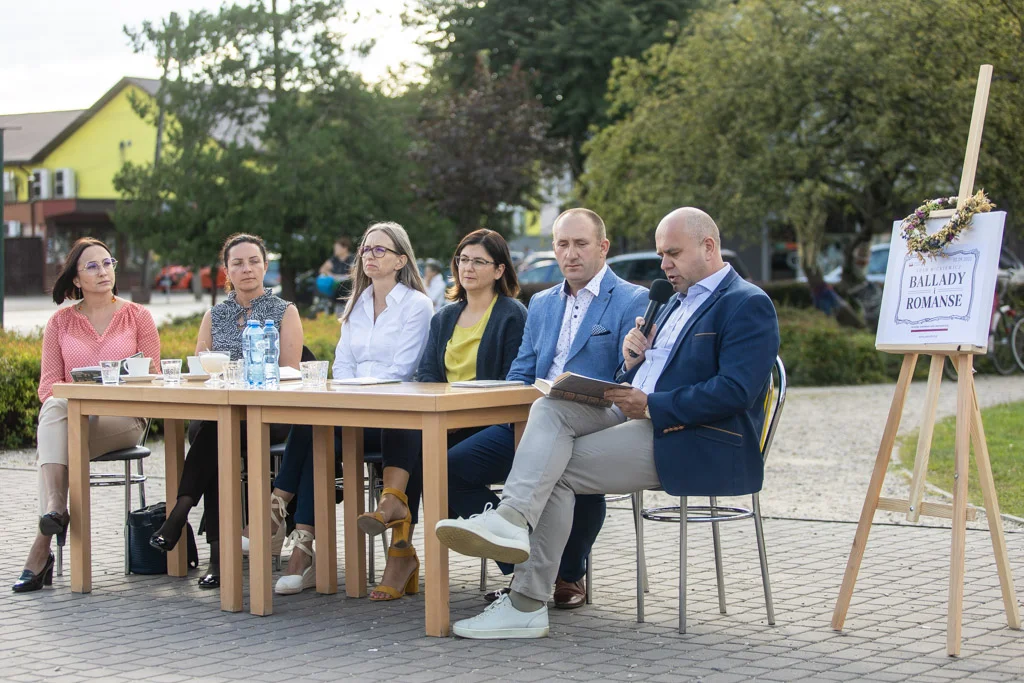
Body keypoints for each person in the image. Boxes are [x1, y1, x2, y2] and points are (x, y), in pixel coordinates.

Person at [436, 207, 781, 639]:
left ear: (708, 247)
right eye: (661, 255)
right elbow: (649, 374)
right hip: (635, 412)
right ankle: (510, 524)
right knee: (548, 408)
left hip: (691, 435)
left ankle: (524, 600)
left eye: (672, 253)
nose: (664, 265)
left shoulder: (746, 303)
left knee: (552, 468)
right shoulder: (674, 301)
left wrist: (652, 403)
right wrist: (634, 362)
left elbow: (736, 391)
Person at [445, 208, 647, 609]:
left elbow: (632, 379)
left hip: (598, 423)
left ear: (602, 247)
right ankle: (519, 557)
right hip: (532, 416)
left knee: (568, 467)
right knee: (450, 468)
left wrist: (629, 362)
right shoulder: (541, 303)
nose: (570, 253)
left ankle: (568, 574)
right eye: (562, 244)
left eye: (580, 244)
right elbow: (522, 370)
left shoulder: (632, 299)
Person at [255, 221, 434, 595]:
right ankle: (293, 534)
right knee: (312, 423)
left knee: (314, 429)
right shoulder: (356, 304)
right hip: (352, 412)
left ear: (401, 259)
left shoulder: (417, 305)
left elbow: (401, 370)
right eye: (366, 250)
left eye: (380, 250)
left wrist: (355, 391)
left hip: (394, 418)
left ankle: (280, 512)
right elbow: (343, 366)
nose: (369, 256)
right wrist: (350, 393)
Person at [361, 229, 528, 601]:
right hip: (446, 423)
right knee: (410, 434)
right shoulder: (445, 316)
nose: (467, 268)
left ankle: (521, 565)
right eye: (463, 260)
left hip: (491, 425)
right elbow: (428, 377)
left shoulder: (511, 315)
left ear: (499, 270)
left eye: (479, 261)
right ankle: (400, 548)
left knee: (435, 461)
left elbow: (513, 383)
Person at [149, 233, 304, 588]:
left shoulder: (284, 311)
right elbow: (201, 368)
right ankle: (216, 553)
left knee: (218, 438)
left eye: (253, 261)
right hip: (220, 414)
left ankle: (188, 522)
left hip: (271, 416)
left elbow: (291, 371)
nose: (246, 269)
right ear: (226, 271)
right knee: (220, 437)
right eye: (238, 263)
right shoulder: (214, 315)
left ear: (265, 266)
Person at [13, 238, 160, 593]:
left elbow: (153, 374)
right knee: (53, 408)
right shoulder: (60, 322)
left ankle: (45, 536)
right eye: (92, 266)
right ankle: (53, 513)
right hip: (75, 419)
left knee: (52, 445)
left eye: (107, 263)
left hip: (126, 419)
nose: (103, 271)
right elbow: (48, 385)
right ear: (76, 279)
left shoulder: (138, 316)